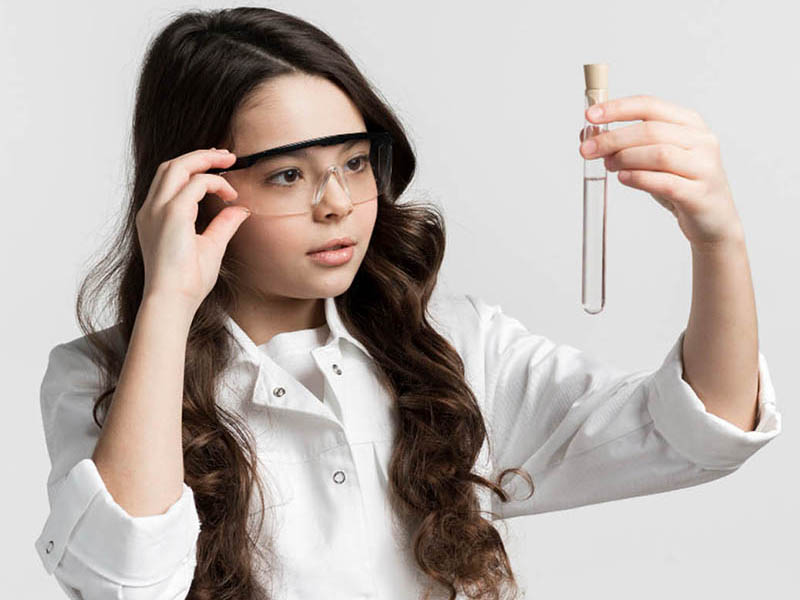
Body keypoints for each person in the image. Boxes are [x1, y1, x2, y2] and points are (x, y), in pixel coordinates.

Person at [33, 6, 782, 600]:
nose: (338, 205)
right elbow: (123, 582)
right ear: (193, 192)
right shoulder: (99, 378)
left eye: (355, 162)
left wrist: (718, 240)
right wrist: (168, 300)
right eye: (287, 176)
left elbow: (699, 432)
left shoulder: (452, 347)